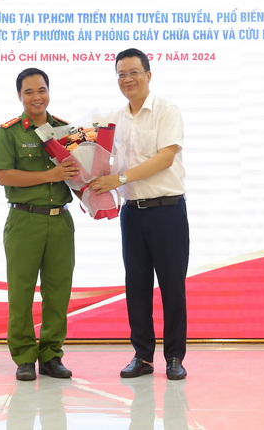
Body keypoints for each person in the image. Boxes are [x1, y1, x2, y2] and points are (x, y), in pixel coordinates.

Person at [89, 48, 189, 380]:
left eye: (133, 72)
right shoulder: (113, 120)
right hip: (133, 214)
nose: (127, 79)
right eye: (121, 74)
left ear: (148, 75)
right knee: (137, 286)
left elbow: (165, 158)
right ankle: (142, 356)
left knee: (172, 287)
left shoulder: (166, 110)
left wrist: (118, 179)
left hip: (167, 211)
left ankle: (174, 357)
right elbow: (103, 159)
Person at [0, 67, 79, 381]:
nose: (36, 97)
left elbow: (79, 173)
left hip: (60, 221)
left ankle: (52, 355)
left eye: (41, 90)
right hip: (24, 220)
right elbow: (4, 175)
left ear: (49, 92)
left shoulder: (66, 130)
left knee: (58, 292)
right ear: (19, 96)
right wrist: (49, 175)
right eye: (28, 92)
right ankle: (25, 357)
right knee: (21, 291)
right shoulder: (9, 132)